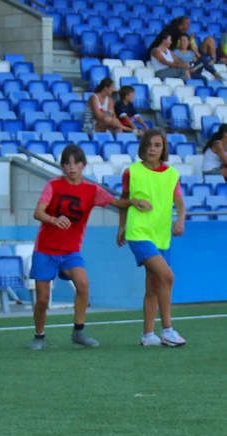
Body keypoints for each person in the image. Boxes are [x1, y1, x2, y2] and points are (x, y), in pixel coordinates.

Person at [28, 144, 148, 351]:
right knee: (42, 299)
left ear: (83, 165)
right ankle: (39, 335)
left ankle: (79, 331)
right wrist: (54, 220)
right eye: (67, 163)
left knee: (83, 284)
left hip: (71, 251)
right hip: (45, 250)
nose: (71, 167)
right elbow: (38, 212)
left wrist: (133, 202)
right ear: (62, 166)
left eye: (76, 163)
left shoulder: (92, 190)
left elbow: (114, 202)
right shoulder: (53, 185)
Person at [117, 129, 187, 347]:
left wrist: (180, 220)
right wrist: (121, 226)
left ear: (163, 148)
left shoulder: (172, 174)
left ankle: (148, 335)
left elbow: (180, 203)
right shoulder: (132, 172)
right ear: (142, 148)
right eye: (149, 145)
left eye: (157, 145)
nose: (152, 149)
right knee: (168, 276)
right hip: (138, 233)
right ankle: (167, 330)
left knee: (154, 285)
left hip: (161, 235)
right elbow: (123, 200)